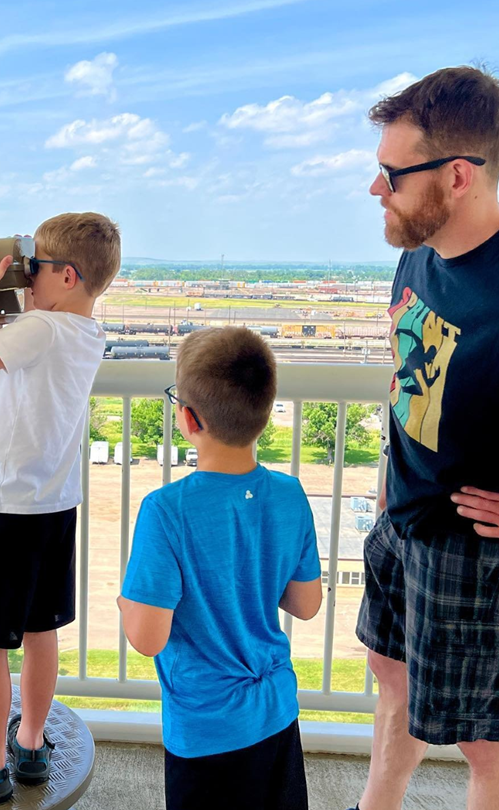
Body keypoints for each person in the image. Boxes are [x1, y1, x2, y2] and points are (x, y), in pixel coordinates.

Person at [0, 214, 120, 803]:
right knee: (40, 630)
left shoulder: (39, 329)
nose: (26, 279)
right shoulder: (86, 333)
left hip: (8, 504)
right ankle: (31, 745)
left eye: (32, 268)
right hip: (56, 504)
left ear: (65, 275)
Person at [351, 65, 499, 810]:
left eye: (391, 174)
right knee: (392, 681)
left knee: (486, 745)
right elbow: (409, 372)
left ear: (458, 177)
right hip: (401, 521)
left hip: (476, 556)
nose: (375, 189)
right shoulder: (418, 252)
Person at [119, 326, 322, 810]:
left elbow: (148, 639)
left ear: (188, 418)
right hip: (276, 714)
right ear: (265, 413)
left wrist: (128, 602)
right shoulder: (291, 494)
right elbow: (306, 604)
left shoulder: (166, 510)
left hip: (206, 730)